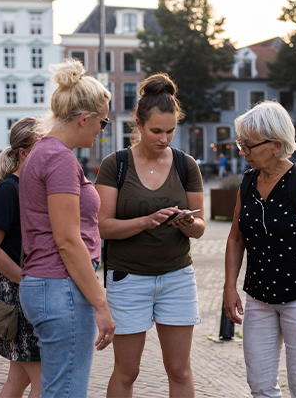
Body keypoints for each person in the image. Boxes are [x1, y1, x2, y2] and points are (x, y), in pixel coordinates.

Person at [96, 73, 206, 398]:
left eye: (171, 131)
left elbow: (200, 228)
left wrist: (187, 224)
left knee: (180, 370)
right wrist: (145, 221)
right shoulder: (114, 164)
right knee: (127, 371)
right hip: (128, 280)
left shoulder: (186, 165)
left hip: (177, 278)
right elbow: (103, 225)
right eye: (156, 131)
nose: (164, 138)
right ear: (139, 125)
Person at [224, 101, 296, 397]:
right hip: (259, 298)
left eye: (248, 146)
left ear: (276, 145)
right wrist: (229, 286)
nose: (242, 152)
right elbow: (236, 238)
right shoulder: (248, 182)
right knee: (260, 386)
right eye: (241, 144)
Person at [18, 58, 115, 397]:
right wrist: (101, 305)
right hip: (62, 288)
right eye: (102, 123)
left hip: (47, 285)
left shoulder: (42, 152)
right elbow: (68, 241)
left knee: (57, 388)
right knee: (67, 391)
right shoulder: (59, 158)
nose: (102, 131)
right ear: (83, 118)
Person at [0, 117, 41, 398]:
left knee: (18, 380)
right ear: (24, 153)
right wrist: (26, 281)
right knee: (46, 381)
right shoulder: (8, 189)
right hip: (20, 295)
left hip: (26, 291)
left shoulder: (30, 188)